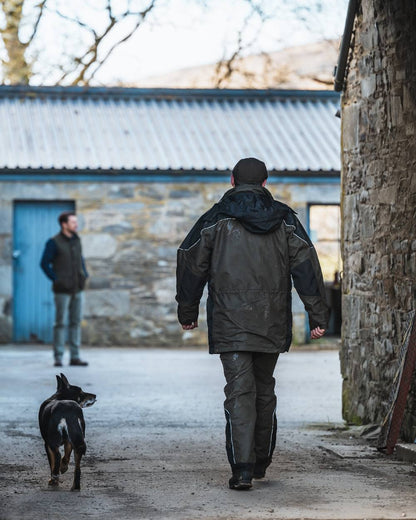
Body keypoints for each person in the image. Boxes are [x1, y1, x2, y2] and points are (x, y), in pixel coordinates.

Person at [176, 157, 329, 490]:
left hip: (231, 324)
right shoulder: (285, 219)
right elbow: (306, 266)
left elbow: (190, 261)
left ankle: (243, 469)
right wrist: (317, 316)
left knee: (240, 392)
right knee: (264, 389)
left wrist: (187, 312)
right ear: (265, 183)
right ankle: (260, 463)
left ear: (232, 181)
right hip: (270, 321)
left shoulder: (214, 219)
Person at [40, 211, 89, 367]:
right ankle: (58, 357)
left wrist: (84, 274)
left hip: (77, 288)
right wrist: (56, 280)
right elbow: (44, 263)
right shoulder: (53, 242)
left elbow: (80, 259)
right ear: (64, 224)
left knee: (75, 322)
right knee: (60, 323)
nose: (76, 225)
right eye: (73, 222)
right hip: (62, 290)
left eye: (76, 222)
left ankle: (75, 356)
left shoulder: (77, 240)